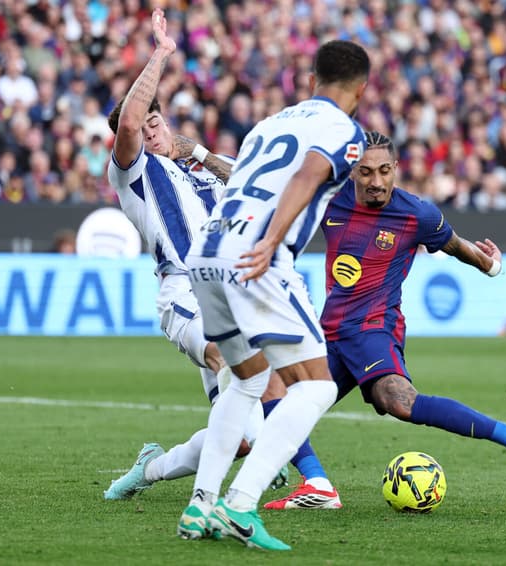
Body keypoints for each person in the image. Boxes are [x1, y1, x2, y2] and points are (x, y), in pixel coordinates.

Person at [101, 10, 333, 506]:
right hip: (184, 290)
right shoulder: (134, 172)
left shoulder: (201, 167)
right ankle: (311, 479)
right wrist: (162, 53)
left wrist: (202, 154)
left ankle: (149, 469)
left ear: (167, 122)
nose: (150, 133)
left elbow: (255, 185)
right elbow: (129, 123)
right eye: (142, 128)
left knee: (242, 434)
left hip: (232, 285)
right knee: (241, 362)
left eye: (156, 123)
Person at [265, 132, 506, 509]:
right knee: (271, 395)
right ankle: (317, 484)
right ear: (352, 171)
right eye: (366, 172)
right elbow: (261, 186)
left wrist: (489, 265)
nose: (376, 181)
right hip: (329, 333)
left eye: (384, 171)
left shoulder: (416, 214)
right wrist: (202, 157)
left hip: (374, 328)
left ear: (396, 168)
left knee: (398, 400)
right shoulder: (328, 198)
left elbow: (454, 245)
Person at [178, 39, 371, 550]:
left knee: (246, 379)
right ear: (361, 90)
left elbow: (241, 181)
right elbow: (309, 174)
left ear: (312, 80)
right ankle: (239, 505)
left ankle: (200, 504)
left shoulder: (267, 125)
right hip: (256, 256)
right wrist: (270, 240)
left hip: (207, 251)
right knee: (317, 387)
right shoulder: (344, 129)